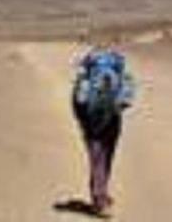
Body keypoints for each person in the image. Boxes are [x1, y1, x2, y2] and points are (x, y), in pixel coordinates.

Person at [72, 44, 135, 217]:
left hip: (90, 120)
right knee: (107, 156)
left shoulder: (85, 73)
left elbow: (77, 101)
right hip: (113, 118)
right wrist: (117, 109)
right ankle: (100, 197)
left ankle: (99, 196)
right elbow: (126, 98)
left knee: (96, 158)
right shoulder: (118, 68)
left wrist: (82, 121)